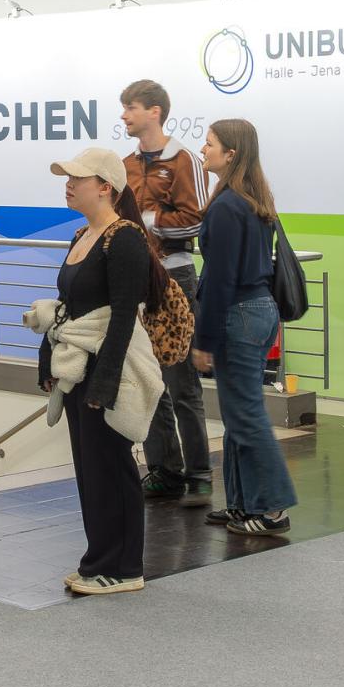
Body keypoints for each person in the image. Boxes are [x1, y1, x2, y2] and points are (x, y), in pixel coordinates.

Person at [36, 147, 161, 595]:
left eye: (77, 178)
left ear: (105, 187)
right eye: (67, 178)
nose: (68, 185)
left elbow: (125, 315)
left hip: (109, 369)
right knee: (90, 467)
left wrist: (106, 381)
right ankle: (98, 560)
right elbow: (67, 308)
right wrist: (45, 358)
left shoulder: (123, 237)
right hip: (77, 365)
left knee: (112, 465)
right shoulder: (81, 235)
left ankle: (124, 567)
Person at [194, 118, 299, 534]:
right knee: (239, 415)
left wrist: (204, 338)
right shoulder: (252, 199)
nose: (204, 150)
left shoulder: (225, 207)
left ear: (230, 154)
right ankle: (241, 503)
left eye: (209, 144)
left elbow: (220, 279)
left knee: (246, 417)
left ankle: (272, 508)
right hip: (258, 312)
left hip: (238, 314)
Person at [118, 79, 211, 506]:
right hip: (137, 281)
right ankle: (163, 470)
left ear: (154, 111)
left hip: (175, 278)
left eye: (131, 107)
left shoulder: (183, 160)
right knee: (146, 377)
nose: (124, 115)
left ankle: (200, 473)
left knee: (181, 380)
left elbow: (196, 221)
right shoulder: (124, 165)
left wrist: (151, 219)